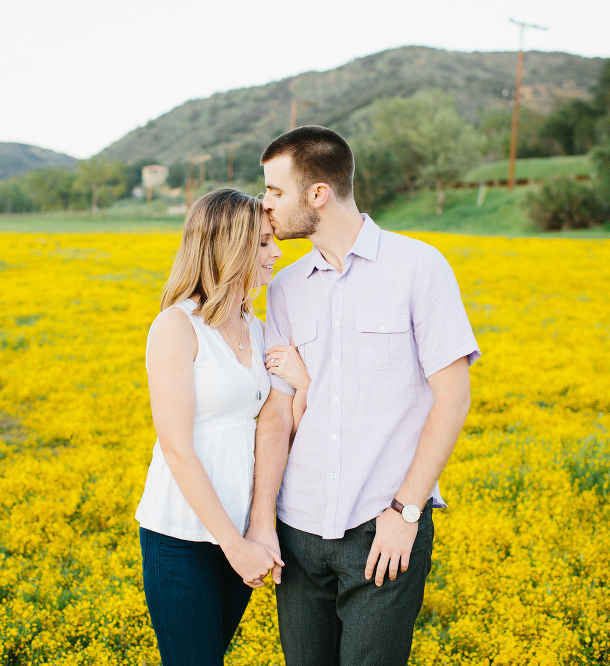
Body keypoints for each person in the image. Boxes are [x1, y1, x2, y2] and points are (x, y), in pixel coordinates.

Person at [245, 126, 481, 666]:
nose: (265, 204)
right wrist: (264, 521)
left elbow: (453, 396)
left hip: (381, 529)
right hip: (298, 531)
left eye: (275, 191)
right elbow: (278, 413)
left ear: (318, 194)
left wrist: (406, 511)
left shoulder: (419, 267)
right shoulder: (284, 288)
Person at [135, 188, 308, 665]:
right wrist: (233, 545)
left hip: (243, 527)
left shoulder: (254, 325)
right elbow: (176, 448)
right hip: (183, 535)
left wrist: (304, 385)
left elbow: (276, 427)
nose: (277, 252)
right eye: (265, 243)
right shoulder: (175, 327)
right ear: (230, 247)